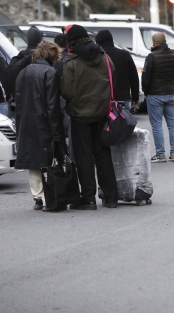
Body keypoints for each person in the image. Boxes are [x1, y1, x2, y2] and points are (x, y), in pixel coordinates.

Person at [61, 24, 118, 209]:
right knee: (103, 154)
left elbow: (67, 91)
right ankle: (110, 197)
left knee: (84, 157)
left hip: (80, 116)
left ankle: (89, 199)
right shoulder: (105, 57)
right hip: (103, 113)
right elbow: (113, 81)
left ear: (71, 42)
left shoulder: (71, 62)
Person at [14, 41, 64, 211]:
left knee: (33, 161)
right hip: (44, 121)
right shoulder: (49, 72)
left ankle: (38, 197)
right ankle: (50, 196)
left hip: (26, 121)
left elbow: (18, 101)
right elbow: (52, 105)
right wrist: (57, 131)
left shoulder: (23, 72)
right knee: (48, 160)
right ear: (52, 55)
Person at [142, 32, 174, 163]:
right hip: (170, 94)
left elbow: (146, 77)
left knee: (157, 125)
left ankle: (160, 154)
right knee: (172, 124)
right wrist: (173, 87)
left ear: (153, 43)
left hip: (155, 94)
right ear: (165, 41)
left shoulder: (152, 56)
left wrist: (146, 91)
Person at [95, 30, 140, 110]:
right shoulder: (124, 54)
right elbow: (134, 77)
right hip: (123, 97)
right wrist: (135, 97)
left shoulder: (97, 56)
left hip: (103, 99)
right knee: (122, 121)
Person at [8, 27, 43, 95]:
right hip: (34, 98)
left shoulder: (20, 56)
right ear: (39, 42)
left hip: (19, 98)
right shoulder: (38, 57)